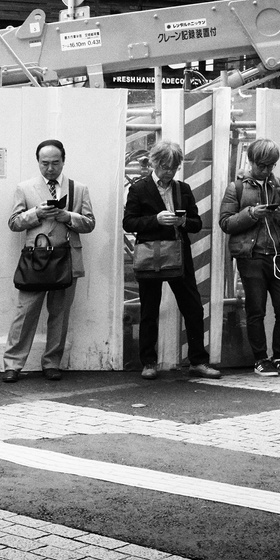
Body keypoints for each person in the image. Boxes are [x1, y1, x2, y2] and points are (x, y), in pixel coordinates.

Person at [123, 140, 219, 380]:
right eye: (165, 166)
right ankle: (148, 362)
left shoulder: (182, 189)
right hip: (151, 256)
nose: (169, 171)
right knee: (149, 310)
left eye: (174, 167)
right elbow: (129, 223)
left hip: (178, 254)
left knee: (194, 308)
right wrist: (156, 219)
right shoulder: (139, 189)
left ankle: (198, 361)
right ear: (154, 163)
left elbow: (197, 223)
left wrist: (182, 222)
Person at [2, 139, 95, 383]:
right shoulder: (25, 188)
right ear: (38, 163)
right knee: (25, 313)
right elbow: (13, 223)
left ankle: (52, 362)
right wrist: (36, 214)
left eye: (55, 163)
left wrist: (67, 216)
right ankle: (13, 365)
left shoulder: (78, 188)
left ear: (63, 161)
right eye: (45, 164)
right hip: (36, 259)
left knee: (60, 314)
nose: (50, 168)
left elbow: (89, 223)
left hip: (66, 258)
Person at [218, 139, 280, 376]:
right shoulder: (236, 188)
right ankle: (260, 358)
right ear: (251, 162)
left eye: (271, 166)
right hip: (252, 257)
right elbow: (225, 223)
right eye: (262, 166)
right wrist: (251, 214)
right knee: (256, 310)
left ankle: (279, 356)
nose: (267, 171)